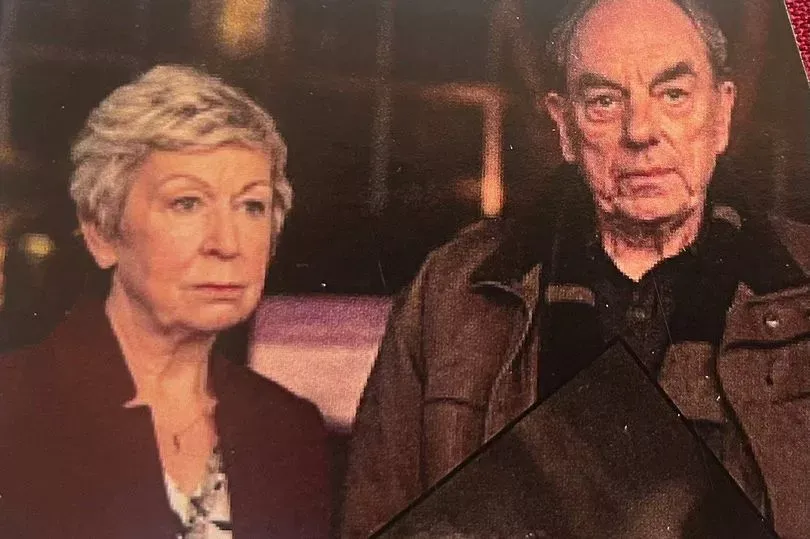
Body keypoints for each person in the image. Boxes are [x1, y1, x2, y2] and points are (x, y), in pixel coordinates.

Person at [342, 0, 810, 537]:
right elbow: (374, 521)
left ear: (721, 115)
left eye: (673, 95)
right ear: (564, 127)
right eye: (604, 101)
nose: (641, 130)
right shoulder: (450, 294)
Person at [0, 65, 330, 538]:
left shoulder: (290, 429)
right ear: (101, 232)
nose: (227, 243)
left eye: (251, 206)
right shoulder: (12, 406)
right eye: (187, 203)